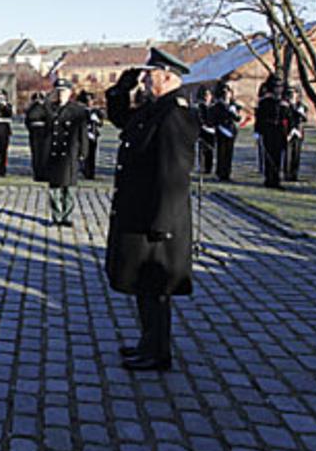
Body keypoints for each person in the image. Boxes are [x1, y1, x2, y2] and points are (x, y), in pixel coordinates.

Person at [105, 49, 198, 372]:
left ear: (168, 76)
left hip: (157, 218)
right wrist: (121, 88)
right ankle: (149, 344)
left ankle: (158, 353)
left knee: (155, 287)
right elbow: (122, 120)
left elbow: (174, 173)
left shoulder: (174, 114)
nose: (144, 80)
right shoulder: (156, 109)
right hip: (143, 211)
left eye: (150, 75)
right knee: (145, 286)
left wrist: (162, 223)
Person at [42, 79, 89, 227]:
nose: (61, 94)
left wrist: (83, 152)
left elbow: (83, 133)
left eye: (64, 91)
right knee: (55, 188)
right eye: (58, 91)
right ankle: (56, 216)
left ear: (70, 93)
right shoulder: (50, 108)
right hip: (54, 152)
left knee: (69, 187)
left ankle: (66, 216)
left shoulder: (78, 110)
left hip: (70, 152)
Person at [254, 76, 290, 189]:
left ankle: (276, 179)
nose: (279, 89)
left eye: (280, 87)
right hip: (268, 130)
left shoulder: (284, 102)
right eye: (276, 87)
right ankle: (269, 179)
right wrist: (258, 131)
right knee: (269, 155)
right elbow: (259, 117)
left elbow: (289, 118)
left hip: (280, 131)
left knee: (278, 155)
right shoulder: (265, 102)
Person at [208, 81, 242, 181]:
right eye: (225, 93)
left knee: (229, 153)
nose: (227, 94)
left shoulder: (233, 105)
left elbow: (238, 119)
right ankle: (220, 173)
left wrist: (234, 113)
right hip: (221, 130)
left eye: (228, 92)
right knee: (221, 153)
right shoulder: (218, 105)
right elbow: (213, 119)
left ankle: (227, 173)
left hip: (231, 131)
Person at [283, 85, 309, 182]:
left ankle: (294, 174)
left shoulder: (301, 106)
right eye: (290, 93)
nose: (292, 95)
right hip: (288, 132)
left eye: (294, 92)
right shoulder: (285, 105)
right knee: (287, 154)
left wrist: (301, 113)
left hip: (298, 132)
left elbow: (304, 119)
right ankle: (287, 174)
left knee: (296, 154)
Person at [24, 92, 50, 182]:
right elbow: (27, 120)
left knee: (44, 154)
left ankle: (44, 173)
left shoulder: (46, 108)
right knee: (35, 153)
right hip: (34, 132)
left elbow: (49, 118)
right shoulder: (31, 109)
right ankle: (37, 173)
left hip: (44, 132)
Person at [78, 90, 103, 180]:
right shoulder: (81, 111)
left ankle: (91, 173)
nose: (89, 102)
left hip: (93, 135)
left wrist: (96, 120)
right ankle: (84, 169)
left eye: (91, 100)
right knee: (83, 153)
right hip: (83, 135)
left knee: (92, 155)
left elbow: (100, 123)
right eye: (87, 100)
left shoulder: (96, 111)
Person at [195, 86, 215, 175]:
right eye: (206, 95)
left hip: (212, 131)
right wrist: (204, 126)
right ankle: (201, 167)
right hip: (203, 131)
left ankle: (208, 169)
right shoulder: (200, 107)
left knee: (210, 150)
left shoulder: (213, 107)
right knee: (202, 150)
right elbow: (200, 119)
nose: (207, 97)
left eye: (209, 95)